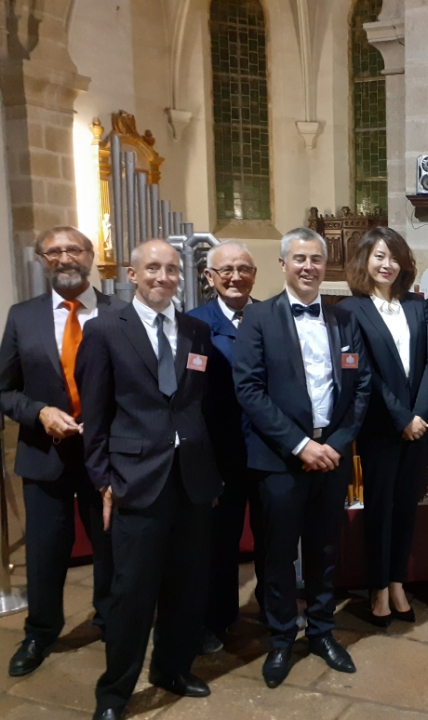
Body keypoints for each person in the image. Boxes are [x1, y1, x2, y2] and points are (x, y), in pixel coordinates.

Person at [76, 239, 223, 720]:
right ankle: (115, 692)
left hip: (192, 481)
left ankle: (172, 669)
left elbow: (201, 405)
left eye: (172, 269)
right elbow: (94, 419)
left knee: (187, 587)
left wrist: (211, 473)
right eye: (153, 268)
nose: (163, 277)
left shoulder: (196, 331)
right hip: (136, 480)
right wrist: (103, 481)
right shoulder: (103, 331)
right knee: (131, 594)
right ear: (133, 276)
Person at [233, 228, 371, 688]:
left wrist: (335, 443)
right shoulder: (259, 320)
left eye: (316, 259)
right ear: (283, 264)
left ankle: (322, 630)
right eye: (300, 259)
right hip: (279, 460)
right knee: (276, 555)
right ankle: (279, 640)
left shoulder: (344, 320)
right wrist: (300, 445)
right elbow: (249, 389)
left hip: (330, 457)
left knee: (324, 549)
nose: (309, 267)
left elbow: (361, 388)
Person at [0, 227, 118, 677]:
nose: (64, 257)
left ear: (90, 256)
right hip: (43, 453)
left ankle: (111, 621)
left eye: (73, 249)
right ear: (40, 260)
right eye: (53, 251)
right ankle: (40, 631)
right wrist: (39, 411)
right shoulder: (22, 316)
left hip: (104, 455)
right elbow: (4, 389)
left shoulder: (120, 313)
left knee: (109, 546)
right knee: (46, 551)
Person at [339, 227, 428, 626]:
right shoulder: (351, 309)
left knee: (405, 509)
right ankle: (378, 588)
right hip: (380, 427)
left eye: (394, 257)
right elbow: (365, 371)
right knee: (378, 509)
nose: (387, 264)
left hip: (418, 426)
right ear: (365, 261)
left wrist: (420, 414)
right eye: (379, 256)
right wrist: (401, 418)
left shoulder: (416, 306)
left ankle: (398, 582)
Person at [187, 241, 264, 652]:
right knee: (221, 541)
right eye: (226, 269)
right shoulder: (195, 323)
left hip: (269, 449)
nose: (235, 276)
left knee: (274, 537)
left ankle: (274, 608)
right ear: (210, 277)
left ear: (255, 274)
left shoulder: (273, 315)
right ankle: (216, 618)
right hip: (222, 454)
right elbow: (188, 396)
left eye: (243, 268)